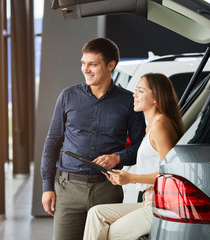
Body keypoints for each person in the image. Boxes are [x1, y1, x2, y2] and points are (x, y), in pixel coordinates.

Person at [40, 38, 146, 240]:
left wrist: (117, 157)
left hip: (107, 190)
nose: (85, 69)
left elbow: (141, 147)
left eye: (92, 64)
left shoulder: (128, 102)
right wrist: (47, 187)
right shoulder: (68, 96)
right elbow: (52, 142)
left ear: (110, 65)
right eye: (83, 63)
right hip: (68, 189)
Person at [83, 73, 185, 240]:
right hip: (148, 201)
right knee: (96, 213)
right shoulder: (151, 126)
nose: (134, 95)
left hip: (160, 204)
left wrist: (131, 178)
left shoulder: (160, 125)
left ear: (155, 98)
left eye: (140, 91)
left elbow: (170, 175)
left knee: (108, 233)